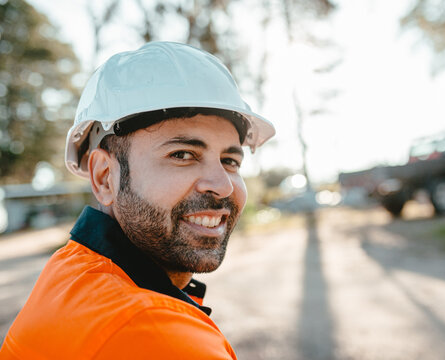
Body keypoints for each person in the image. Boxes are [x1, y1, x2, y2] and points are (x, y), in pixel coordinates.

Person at [0, 42, 275, 359]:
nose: (223, 186)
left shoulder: (72, 272)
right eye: (182, 155)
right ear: (105, 177)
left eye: (230, 161)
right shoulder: (154, 335)